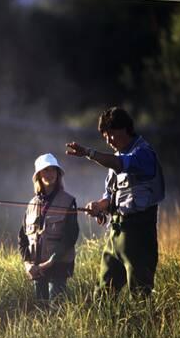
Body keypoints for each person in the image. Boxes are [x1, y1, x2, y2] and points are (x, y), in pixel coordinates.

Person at [66, 107, 165, 296]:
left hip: (139, 234)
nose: (108, 140)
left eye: (111, 134)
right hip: (115, 234)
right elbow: (110, 198)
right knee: (103, 293)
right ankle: (105, 325)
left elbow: (122, 165)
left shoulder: (143, 154)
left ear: (126, 129)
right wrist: (98, 206)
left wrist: (88, 152)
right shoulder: (115, 159)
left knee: (140, 295)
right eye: (105, 135)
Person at [18, 153, 79, 305]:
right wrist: (27, 264)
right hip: (36, 269)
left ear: (58, 174)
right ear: (38, 175)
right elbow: (22, 238)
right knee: (40, 312)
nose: (50, 174)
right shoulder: (31, 204)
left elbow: (70, 237)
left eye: (53, 170)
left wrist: (49, 263)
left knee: (56, 312)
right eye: (46, 170)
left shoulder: (68, 201)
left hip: (58, 268)